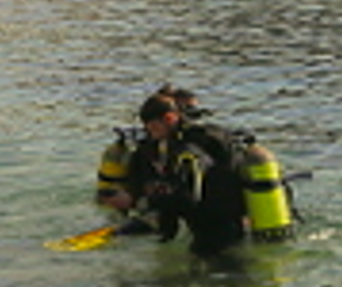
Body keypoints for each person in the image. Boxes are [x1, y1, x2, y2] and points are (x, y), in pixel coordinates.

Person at [103, 94, 249, 257]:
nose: (150, 133)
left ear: (170, 118)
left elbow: (187, 198)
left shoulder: (190, 151)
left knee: (214, 267)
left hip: (219, 226)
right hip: (205, 223)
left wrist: (137, 201)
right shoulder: (171, 144)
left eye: (153, 127)